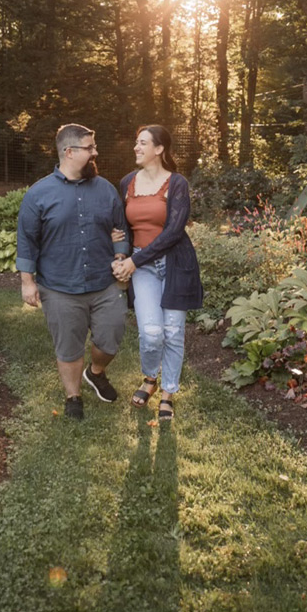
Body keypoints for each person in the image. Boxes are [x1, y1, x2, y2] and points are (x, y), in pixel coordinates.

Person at [16, 124, 131, 421]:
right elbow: (27, 241)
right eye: (90, 147)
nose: (95, 152)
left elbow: (120, 230)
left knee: (110, 338)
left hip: (105, 283)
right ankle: (73, 396)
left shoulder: (105, 189)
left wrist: (120, 255)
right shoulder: (39, 194)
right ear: (69, 152)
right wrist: (27, 282)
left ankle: (96, 372)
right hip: (59, 286)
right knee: (69, 346)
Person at [112, 125, 203, 421]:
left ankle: (167, 393)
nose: (136, 148)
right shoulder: (127, 182)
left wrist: (134, 263)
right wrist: (122, 257)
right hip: (142, 266)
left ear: (159, 149)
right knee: (152, 333)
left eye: (142, 143)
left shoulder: (177, 183)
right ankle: (150, 378)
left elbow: (174, 231)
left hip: (176, 263)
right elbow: (122, 228)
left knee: (173, 332)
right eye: (136, 143)